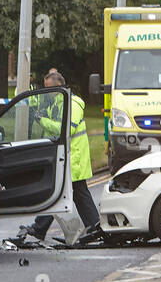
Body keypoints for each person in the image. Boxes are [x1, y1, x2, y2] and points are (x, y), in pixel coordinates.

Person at [11, 70, 101, 245]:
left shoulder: (73, 104)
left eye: (49, 90)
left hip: (73, 158)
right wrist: (22, 83)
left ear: (59, 86)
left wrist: (42, 120)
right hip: (65, 158)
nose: (47, 94)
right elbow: (28, 100)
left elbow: (67, 129)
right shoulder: (55, 104)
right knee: (64, 194)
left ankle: (93, 227)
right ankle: (93, 227)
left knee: (69, 194)